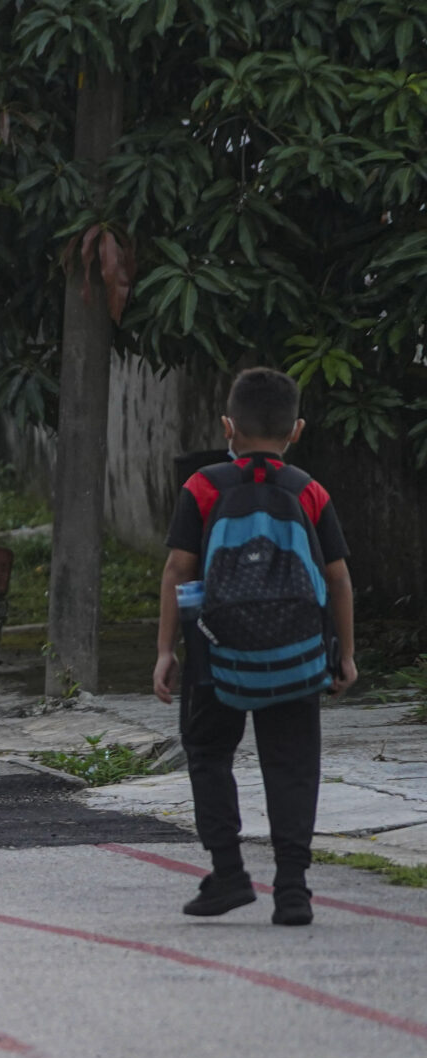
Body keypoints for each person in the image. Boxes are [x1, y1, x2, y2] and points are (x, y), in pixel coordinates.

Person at [152, 367, 355, 927]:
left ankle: (230, 873)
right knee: (292, 765)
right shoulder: (309, 491)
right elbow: (337, 578)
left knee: (209, 753)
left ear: (227, 427)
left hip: (215, 653)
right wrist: (345, 654)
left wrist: (167, 650)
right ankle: (293, 890)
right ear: (297, 430)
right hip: (297, 652)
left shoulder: (203, 486)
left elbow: (178, 569)